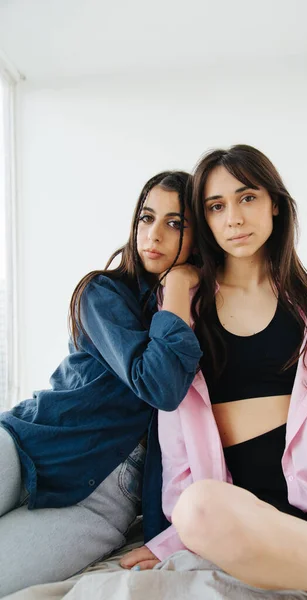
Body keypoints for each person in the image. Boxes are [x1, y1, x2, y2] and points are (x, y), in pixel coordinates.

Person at [122, 146, 307, 597]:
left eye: (247, 198)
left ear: (274, 203)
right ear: (205, 220)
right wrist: (174, 537)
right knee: (197, 509)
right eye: (216, 206)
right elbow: (175, 440)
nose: (233, 218)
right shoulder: (185, 304)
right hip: (236, 511)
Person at [0, 171, 202, 597]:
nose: (154, 234)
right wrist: (180, 282)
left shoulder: (208, 322)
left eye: (175, 223)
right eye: (146, 218)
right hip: (28, 446)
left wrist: (181, 292)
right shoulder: (104, 293)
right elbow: (157, 384)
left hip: (101, 505)